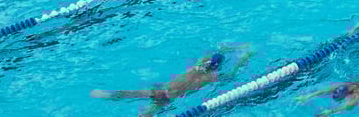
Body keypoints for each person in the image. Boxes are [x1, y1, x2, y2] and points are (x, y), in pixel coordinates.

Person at [91, 47, 251, 117]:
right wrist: (244, 58)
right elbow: (231, 75)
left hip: (162, 91)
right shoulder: (212, 77)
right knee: (147, 112)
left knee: (130, 94)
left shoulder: (196, 67)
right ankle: (109, 95)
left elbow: (209, 55)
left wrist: (224, 49)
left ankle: (107, 95)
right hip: (170, 97)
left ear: (208, 63)